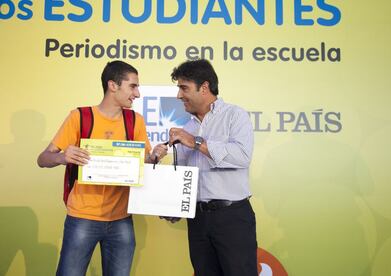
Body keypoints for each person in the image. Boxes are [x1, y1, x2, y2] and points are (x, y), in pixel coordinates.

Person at [37, 60, 167, 276]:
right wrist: (62, 157)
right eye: (133, 86)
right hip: (82, 217)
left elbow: (143, 164)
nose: (138, 93)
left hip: (121, 219)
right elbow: (43, 159)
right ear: (113, 85)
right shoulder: (80, 117)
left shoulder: (135, 121)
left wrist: (154, 158)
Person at [166, 59, 257, 276]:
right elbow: (185, 178)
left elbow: (242, 156)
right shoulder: (186, 128)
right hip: (197, 220)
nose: (179, 95)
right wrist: (174, 206)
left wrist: (196, 142)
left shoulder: (235, 115)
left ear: (204, 87)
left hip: (232, 218)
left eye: (184, 88)